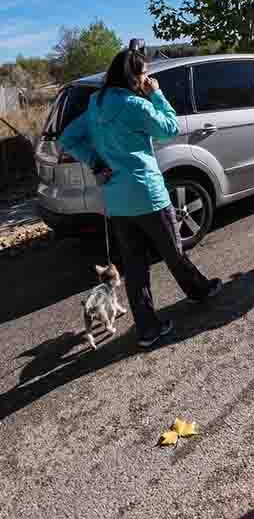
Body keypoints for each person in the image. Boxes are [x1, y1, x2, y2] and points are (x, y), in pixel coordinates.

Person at [59, 47, 222, 349]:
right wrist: (157, 95)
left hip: (117, 201)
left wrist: (95, 162)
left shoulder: (96, 104)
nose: (148, 77)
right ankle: (200, 291)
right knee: (173, 251)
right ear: (134, 76)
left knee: (134, 267)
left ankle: (147, 329)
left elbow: (67, 138)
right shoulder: (137, 104)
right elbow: (169, 129)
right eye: (144, 73)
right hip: (147, 194)